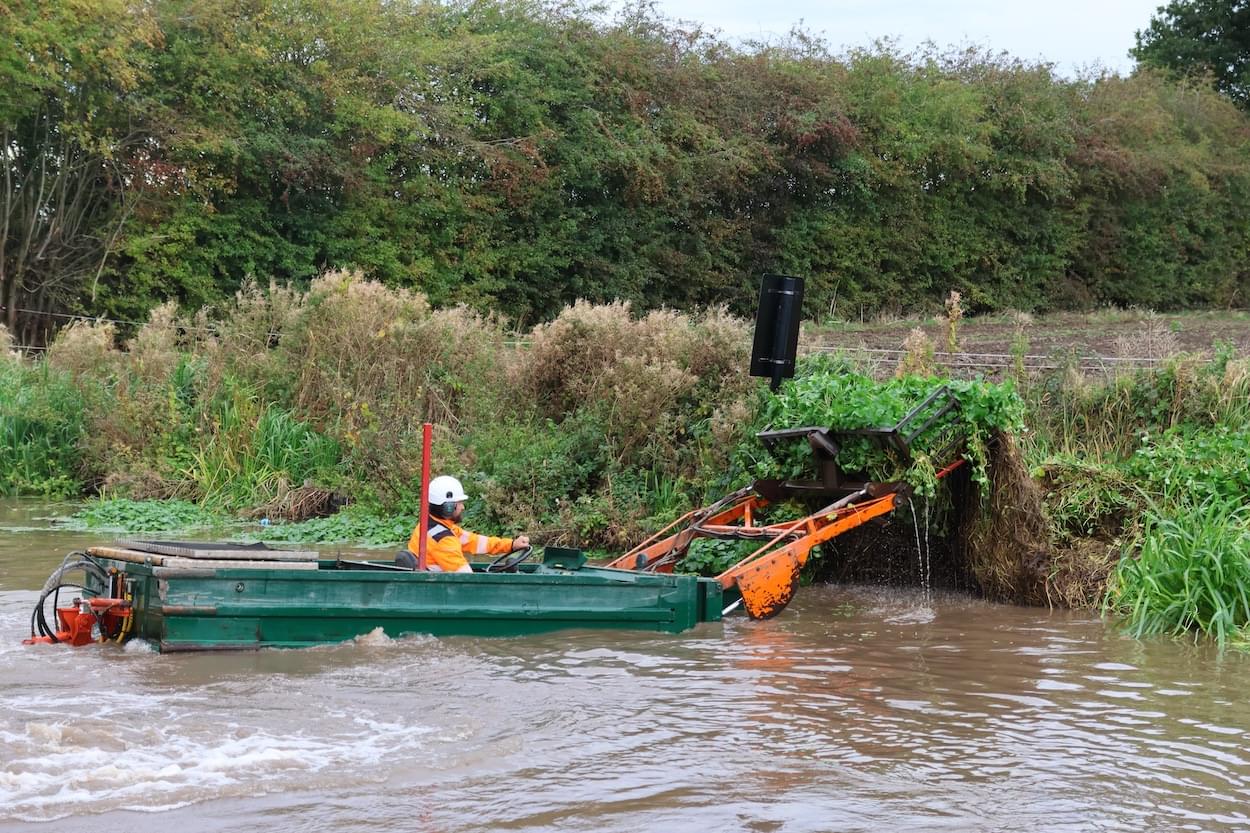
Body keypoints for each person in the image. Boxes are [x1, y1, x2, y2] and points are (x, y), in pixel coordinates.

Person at [404, 475, 529, 572]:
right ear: (448, 507)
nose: (463, 507)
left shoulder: (430, 526)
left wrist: (511, 545)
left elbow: (475, 542)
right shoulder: (443, 539)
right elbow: (465, 578)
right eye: (459, 503)